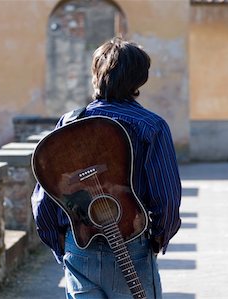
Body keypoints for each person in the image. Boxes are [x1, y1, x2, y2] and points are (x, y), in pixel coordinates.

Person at [31, 37, 182, 299]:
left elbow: (44, 197)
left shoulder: (69, 122)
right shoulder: (152, 126)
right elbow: (167, 198)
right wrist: (157, 239)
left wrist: (62, 245)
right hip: (133, 244)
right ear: (139, 80)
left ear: (96, 75)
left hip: (79, 248)